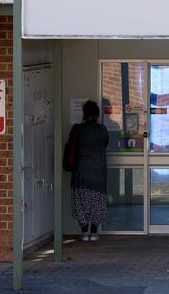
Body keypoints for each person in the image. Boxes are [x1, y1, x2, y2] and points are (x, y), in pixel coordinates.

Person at [70, 100, 109, 241]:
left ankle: (84, 232)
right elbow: (105, 143)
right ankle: (94, 232)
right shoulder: (102, 130)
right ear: (97, 115)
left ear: (84, 114)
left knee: (81, 203)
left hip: (80, 172)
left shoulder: (78, 129)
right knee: (96, 203)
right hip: (98, 173)